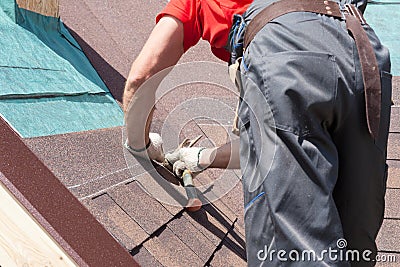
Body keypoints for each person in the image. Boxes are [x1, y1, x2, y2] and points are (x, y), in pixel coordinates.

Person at [123, 0, 392, 266]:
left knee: (293, 250)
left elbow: (142, 76)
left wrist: (140, 146)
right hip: (363, 52)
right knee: (354, 243)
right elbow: (270, 143)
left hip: (284, 49)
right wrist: (201, 158)